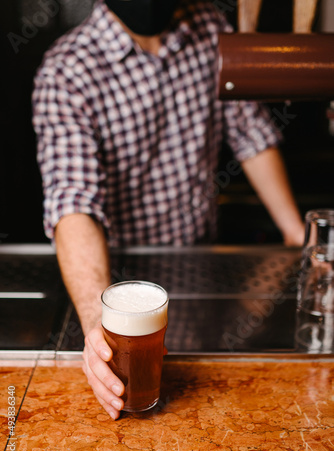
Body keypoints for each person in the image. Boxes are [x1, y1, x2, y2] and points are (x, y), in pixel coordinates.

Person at [32, 0, 304, 420]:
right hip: (116, 282)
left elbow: (249, 130)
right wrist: (98, 324)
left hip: (201, 269)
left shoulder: (209, 25)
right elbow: (73, 203)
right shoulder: (66, 70)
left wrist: (295, 233)